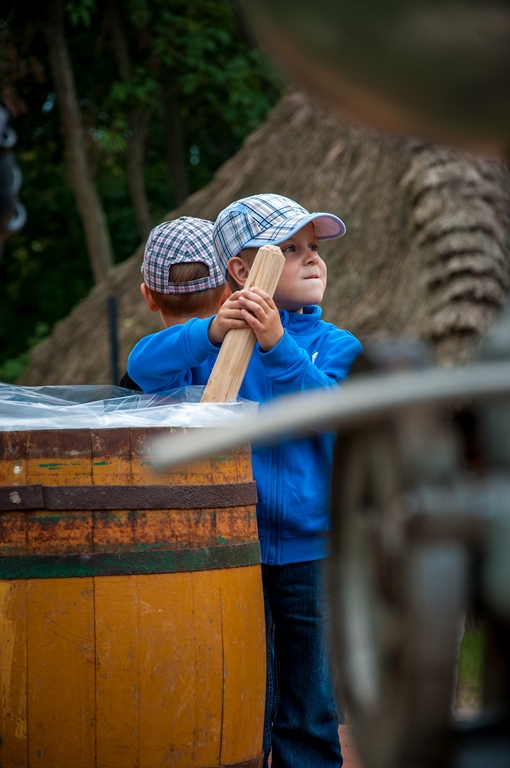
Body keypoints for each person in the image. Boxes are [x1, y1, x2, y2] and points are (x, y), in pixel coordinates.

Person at [128, 193, 362, 767]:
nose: (313, 259)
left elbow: (331, 414)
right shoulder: (216, 347)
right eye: (291, 249)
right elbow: (141, 367)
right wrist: (208, 333)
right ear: (241, 270)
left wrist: (280, 347)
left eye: (314, 247)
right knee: (240, 695)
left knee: (311, 705)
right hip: (233, 551)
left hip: (312, 551)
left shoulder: (337, 347)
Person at [119, 216, 229, 390]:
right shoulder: (253, 352)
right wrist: (211, 331)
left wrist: (209, 333)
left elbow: (138, 364)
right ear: (227, 294)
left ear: (149, 297)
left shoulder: (154, 364)